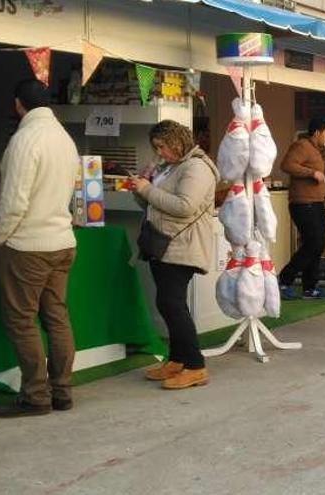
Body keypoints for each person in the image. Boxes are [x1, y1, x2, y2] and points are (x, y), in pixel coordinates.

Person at [0, 80, 80, 418]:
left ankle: (35, 396)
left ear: (18, 105)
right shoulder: (64, 139)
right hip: (62, 241)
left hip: (28, 245)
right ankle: (62, 391)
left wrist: (1, 237)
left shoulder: (24, 140)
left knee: (22, 321)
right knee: (56, 317)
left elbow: (13, 202)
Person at [129, 120, 218, 390]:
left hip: (182, 246)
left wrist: (148, 189)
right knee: (170, 303)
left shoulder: (197, 167)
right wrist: (141, 189)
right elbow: (152, 205)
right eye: (156, 148)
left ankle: (195, 365)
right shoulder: (171, 167)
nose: (160, 153)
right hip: (163, 245)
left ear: (177, 142)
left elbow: (184, 206)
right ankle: (177, 360)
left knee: (171, 304)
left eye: (163, 146)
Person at [278, 117, 325, 300]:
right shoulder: (302, 145)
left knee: (318, 243)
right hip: (303, 203)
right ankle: (284, 280)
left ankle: (310, 287)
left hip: (316, 202)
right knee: (314, 243)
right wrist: (311, 173)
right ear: (317, 132)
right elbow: (286, 165)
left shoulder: (315, 150)